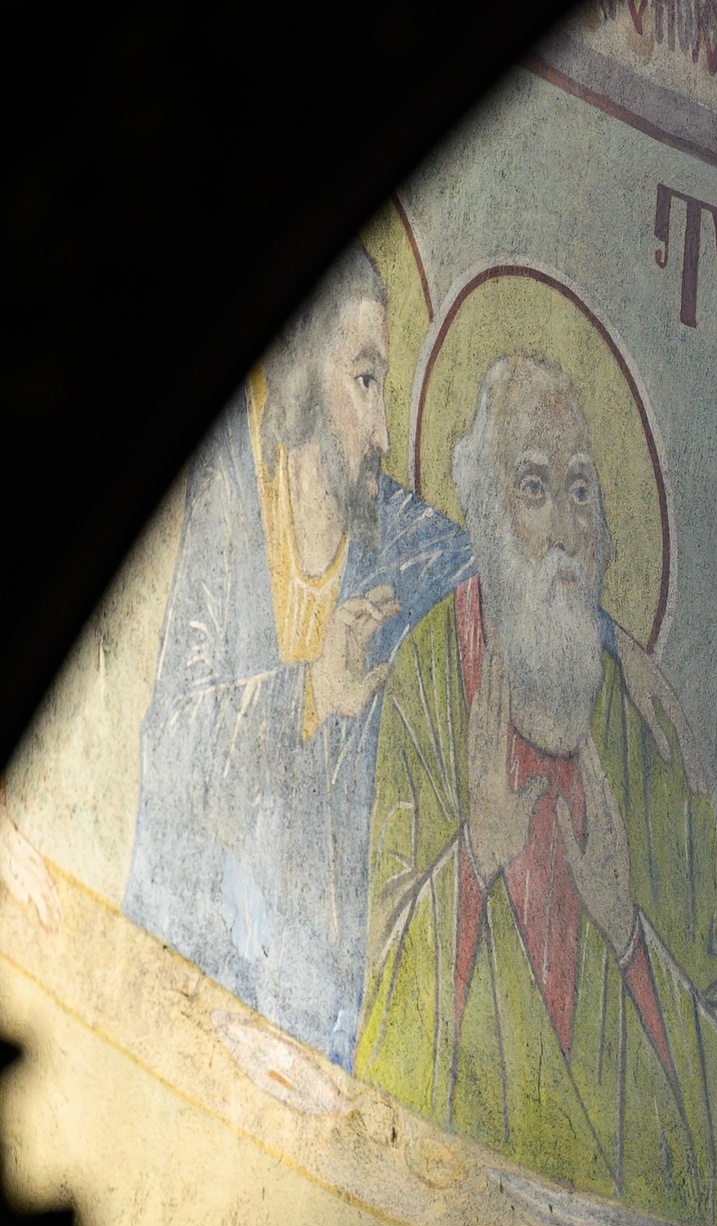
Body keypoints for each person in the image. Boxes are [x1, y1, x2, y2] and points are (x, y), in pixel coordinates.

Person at [354, 353, 717, 1226]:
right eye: (534, 488)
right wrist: (472, 860)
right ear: (485, 518)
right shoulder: (427, 686)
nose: (565, 529)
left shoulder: (649, 733)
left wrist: (630, 938)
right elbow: (377, 1027)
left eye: (582, 491)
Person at [126, 248, 475, 1064]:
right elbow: (173, 745)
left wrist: (622, 654)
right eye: (364, 380)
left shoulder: (388, 534)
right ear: (301, 367)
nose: (383, 431)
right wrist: (307, 696)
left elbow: (504, 574)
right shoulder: (227, 479)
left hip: (311, 1033)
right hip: (183, 984)